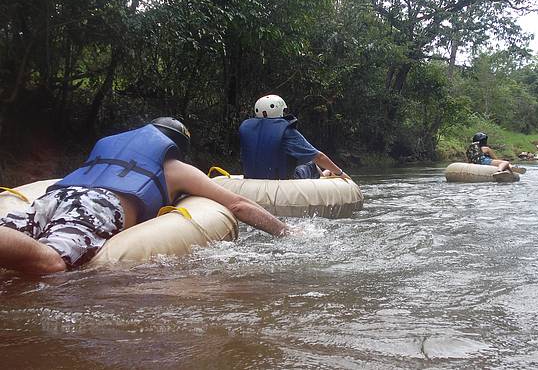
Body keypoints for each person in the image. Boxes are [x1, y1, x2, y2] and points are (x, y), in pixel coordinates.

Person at [0, 117, 294, 275]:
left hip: (56, 197)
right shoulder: (175, 167)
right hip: (98, 206)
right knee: (52, 262)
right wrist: (285, 231)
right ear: (176, 145)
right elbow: (238, 204)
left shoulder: (110, 146)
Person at [239, 94, 349, 180]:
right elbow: (318, 157)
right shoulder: (286, 131)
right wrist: (341, 173)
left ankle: (326, 174)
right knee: (311, 164)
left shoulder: (247, 129)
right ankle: (327, 174)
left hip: (252, 179)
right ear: (280, 110)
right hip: (282, 181)